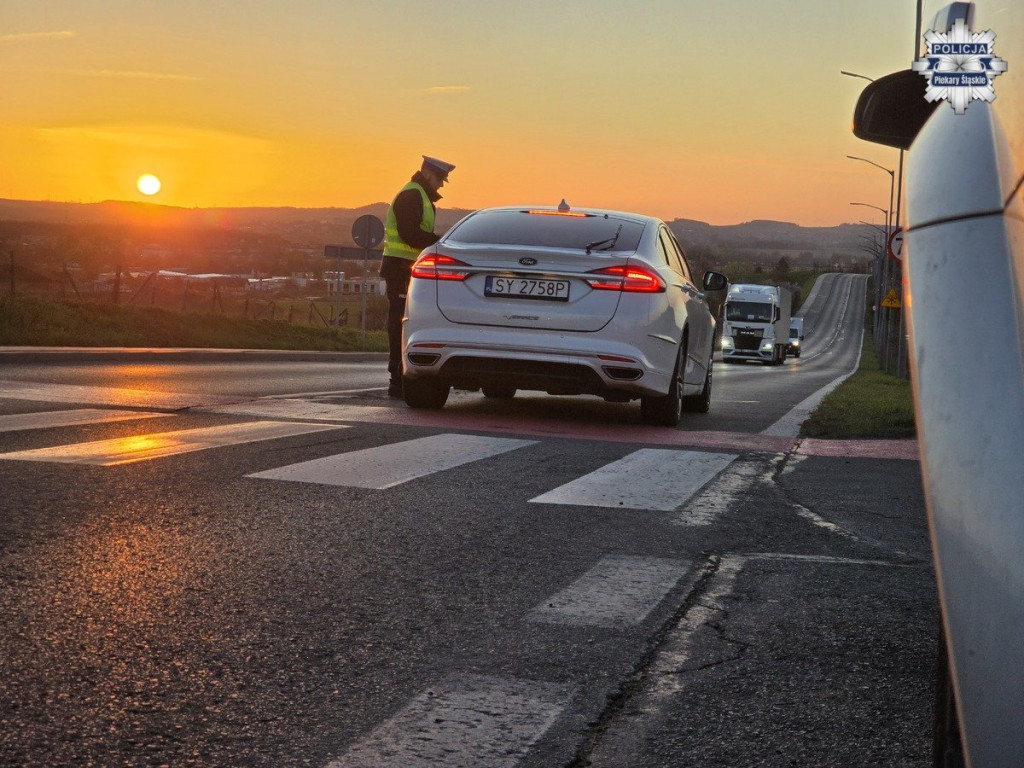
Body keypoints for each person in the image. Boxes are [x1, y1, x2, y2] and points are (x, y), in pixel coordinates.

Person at [380, 155, 456, 397]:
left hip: (408, 268)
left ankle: (403, 376)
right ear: (428, 174)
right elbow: (410, 234)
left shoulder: (419, 195)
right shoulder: (412, 195)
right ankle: (397, 378)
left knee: (406, 322)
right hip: (400, 268)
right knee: (399, 323)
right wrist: (438, 242)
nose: (441, 184)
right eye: (440, 179)